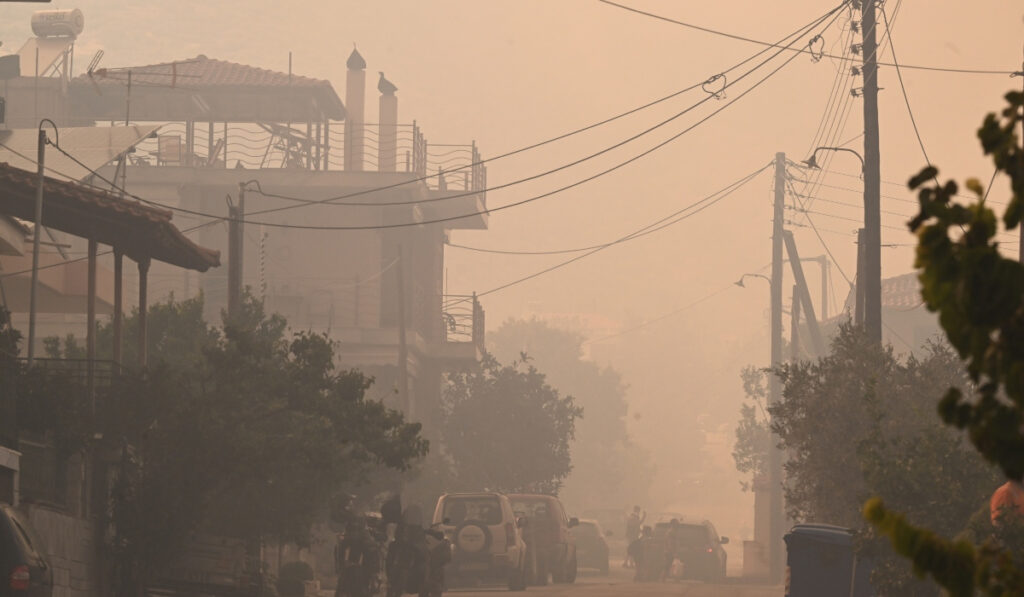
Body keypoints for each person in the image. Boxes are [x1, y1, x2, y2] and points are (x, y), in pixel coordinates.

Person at [420, 528, 452, 597]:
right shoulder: (444, 546)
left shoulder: (435, 546)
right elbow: (448, 559)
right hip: (436, 572)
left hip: (432, 572)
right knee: (435, 591)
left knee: (429, 590)